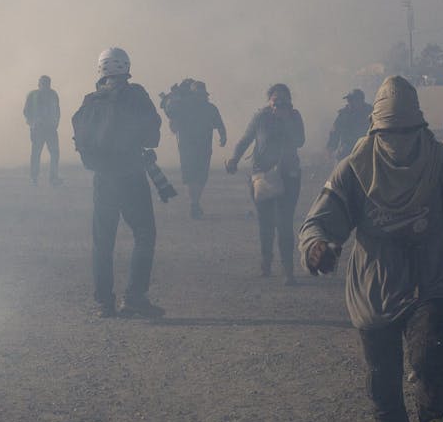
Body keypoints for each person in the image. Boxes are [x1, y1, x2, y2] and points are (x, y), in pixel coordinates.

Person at [299, 76, 443, 422]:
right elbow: (324, 216)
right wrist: (318, 247)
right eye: (390, 133)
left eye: (406, 132)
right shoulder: (355, 167)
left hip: (428, 277)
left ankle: (432, 417)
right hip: (374, 285)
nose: (398, 141)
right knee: (382, 381)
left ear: (419, 128)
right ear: (376, 131)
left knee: (432, 357)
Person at [72, 47, 165, 318]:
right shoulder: (136, 97)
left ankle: (104, 302)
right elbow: (151, 138)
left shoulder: (91, 101)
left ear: (100, 70)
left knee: (103, 242)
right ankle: (135, 297)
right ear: (126, 68)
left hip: (103, 179)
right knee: (144, 235)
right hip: (131, 176)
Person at [227, 83, 306, 285]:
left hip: (288, 175)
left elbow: (300, 141)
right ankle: (266, 262)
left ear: (289, 101)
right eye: (275, 100)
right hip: (261, 175)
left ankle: (288, 270)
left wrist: (287, 120)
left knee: (285, 222)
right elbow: (246, 139)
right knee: (265, 222)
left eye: (282, 100)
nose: (278, 104)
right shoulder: (261, 117)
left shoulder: (294, 116)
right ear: (269, 101)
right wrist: (234, 158)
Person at [163, 79, 227, 219]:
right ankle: (194, 203)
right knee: (191, 177)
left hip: (204, 147)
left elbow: (219, 124)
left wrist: (223, 136)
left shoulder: (210, 108)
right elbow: (172, 115)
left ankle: (195, 202)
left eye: (201, 94)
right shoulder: (183, 107)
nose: (199, 97)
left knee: (201, 177)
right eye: (197, 94)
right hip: (187, 148)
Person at [24, 75, 63, 187]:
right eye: (43, 83)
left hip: (50, 129)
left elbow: (57, 110)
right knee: (36, 153)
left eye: (47, 83)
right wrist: (33, 123)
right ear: (39, 84)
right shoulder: (33, 95)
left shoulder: (53, 94)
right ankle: (34, 177)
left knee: (54, 153)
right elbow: (26, 111)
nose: (45, 86)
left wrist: (56, 123)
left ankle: (53, 178)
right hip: (38, 129)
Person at [326, 89, 372, 159]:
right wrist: (331, 147)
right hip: (346, 150)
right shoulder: (344, 114)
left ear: (360, 101)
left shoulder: (371, 113)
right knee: (339, 168)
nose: (349, 103)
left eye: (352, 100)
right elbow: (335, 131)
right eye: (349, 100)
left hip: (366, 149)